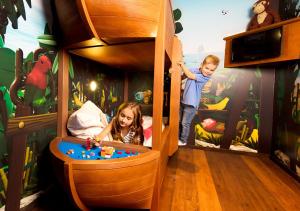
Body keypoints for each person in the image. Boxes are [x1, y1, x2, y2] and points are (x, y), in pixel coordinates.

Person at [178, 55, 220, 146]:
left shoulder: (205, 78)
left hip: (192, 104)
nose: (208, 71)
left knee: (185, 123)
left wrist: (182, 65)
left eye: (212, 70)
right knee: (179, 121)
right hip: (184, 101)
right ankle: (177, 137)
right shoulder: (197, 71)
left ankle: (183, 140)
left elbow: (189, 74)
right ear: (202, 65)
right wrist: (182, 65)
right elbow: (187, 71)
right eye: (207, 68)